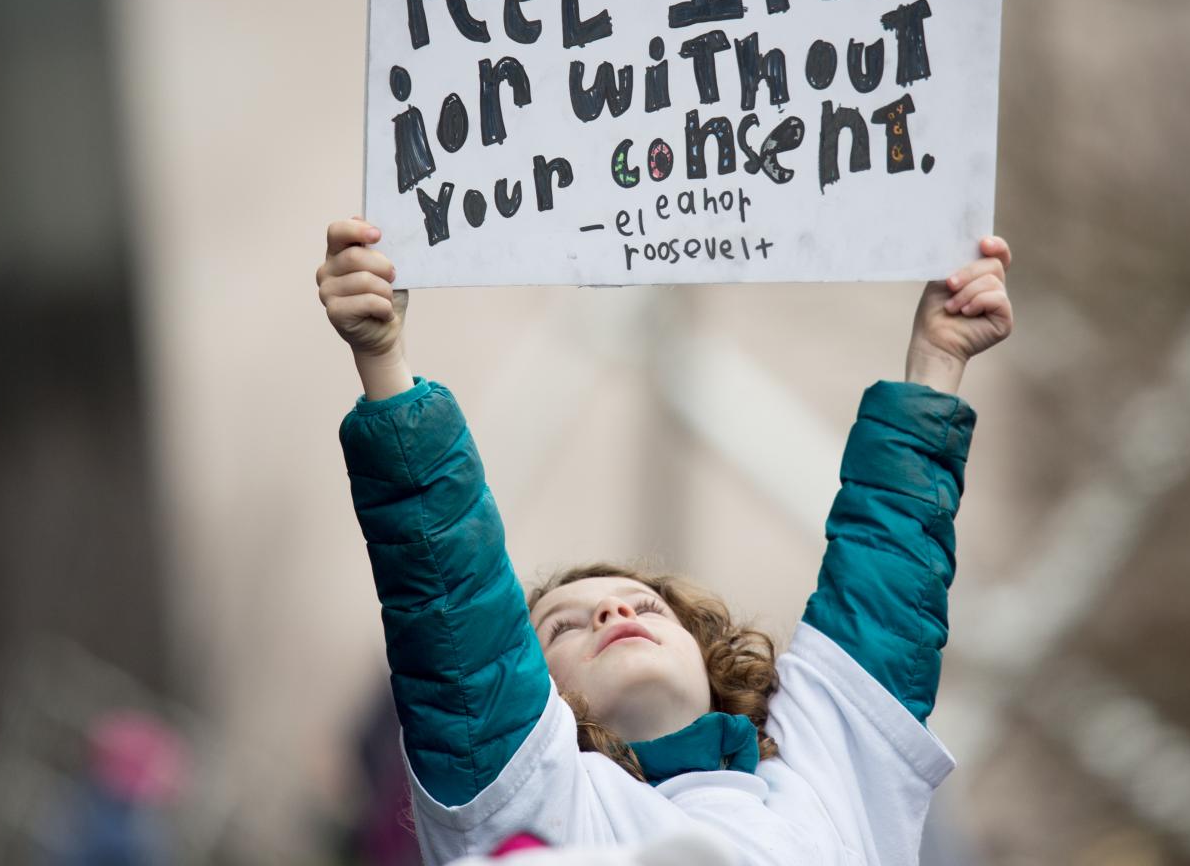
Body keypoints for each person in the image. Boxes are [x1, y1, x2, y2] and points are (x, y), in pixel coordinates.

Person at [317, 218, 1013, 864]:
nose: (614, 614)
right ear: (536, 701)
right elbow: (452, 592)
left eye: (648, 608)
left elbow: (884, 583)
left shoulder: (830, 784)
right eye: (564, 626)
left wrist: (937, 356)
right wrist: (384, 362)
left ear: (708, 658)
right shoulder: (532, 800)